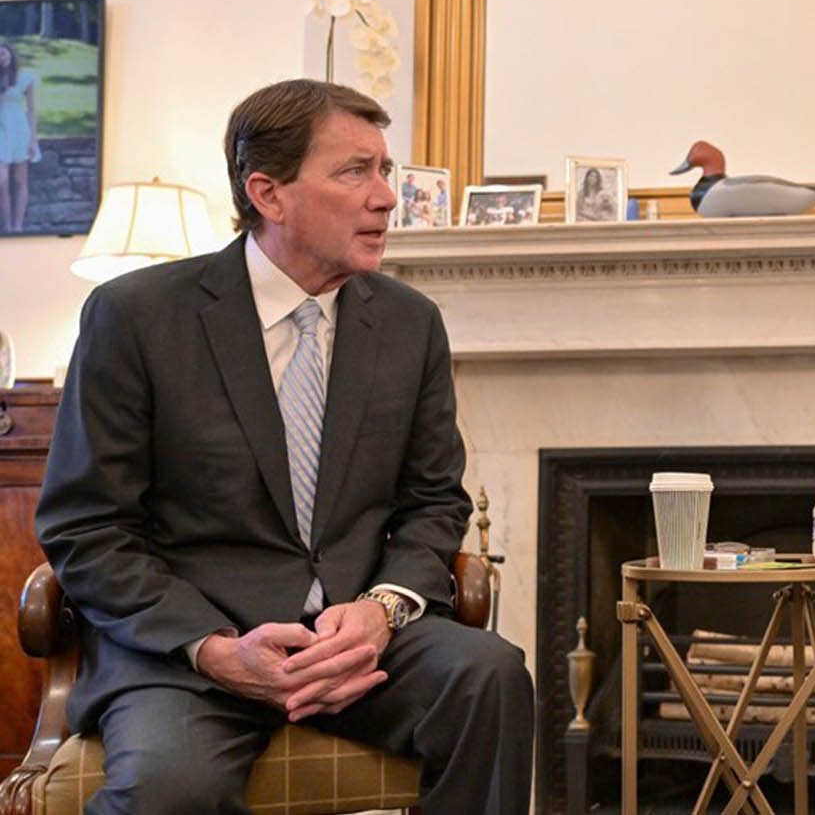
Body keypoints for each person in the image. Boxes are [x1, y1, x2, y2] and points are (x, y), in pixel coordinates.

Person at [34, 78, 534, 813]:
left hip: (357, 642)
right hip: (190, 657)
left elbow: (433, 501)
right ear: (268, 194)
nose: (386, 196)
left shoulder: (409, 323)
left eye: (385, 170)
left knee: (491, 675)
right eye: (354, 171)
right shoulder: (136, 318)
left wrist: (380, 612)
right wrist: (213, 647)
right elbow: (89, 529)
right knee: (172, 790)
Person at [0, 41, 40, 233]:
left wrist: (32, 139)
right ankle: (7, 227)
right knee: (2, 181)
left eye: (3, 54)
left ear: (11, 56)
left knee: (19, 181)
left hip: (19, 129)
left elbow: (31, 111)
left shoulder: (25, 78)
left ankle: (17, 227)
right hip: (1, 131)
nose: (1, 58)